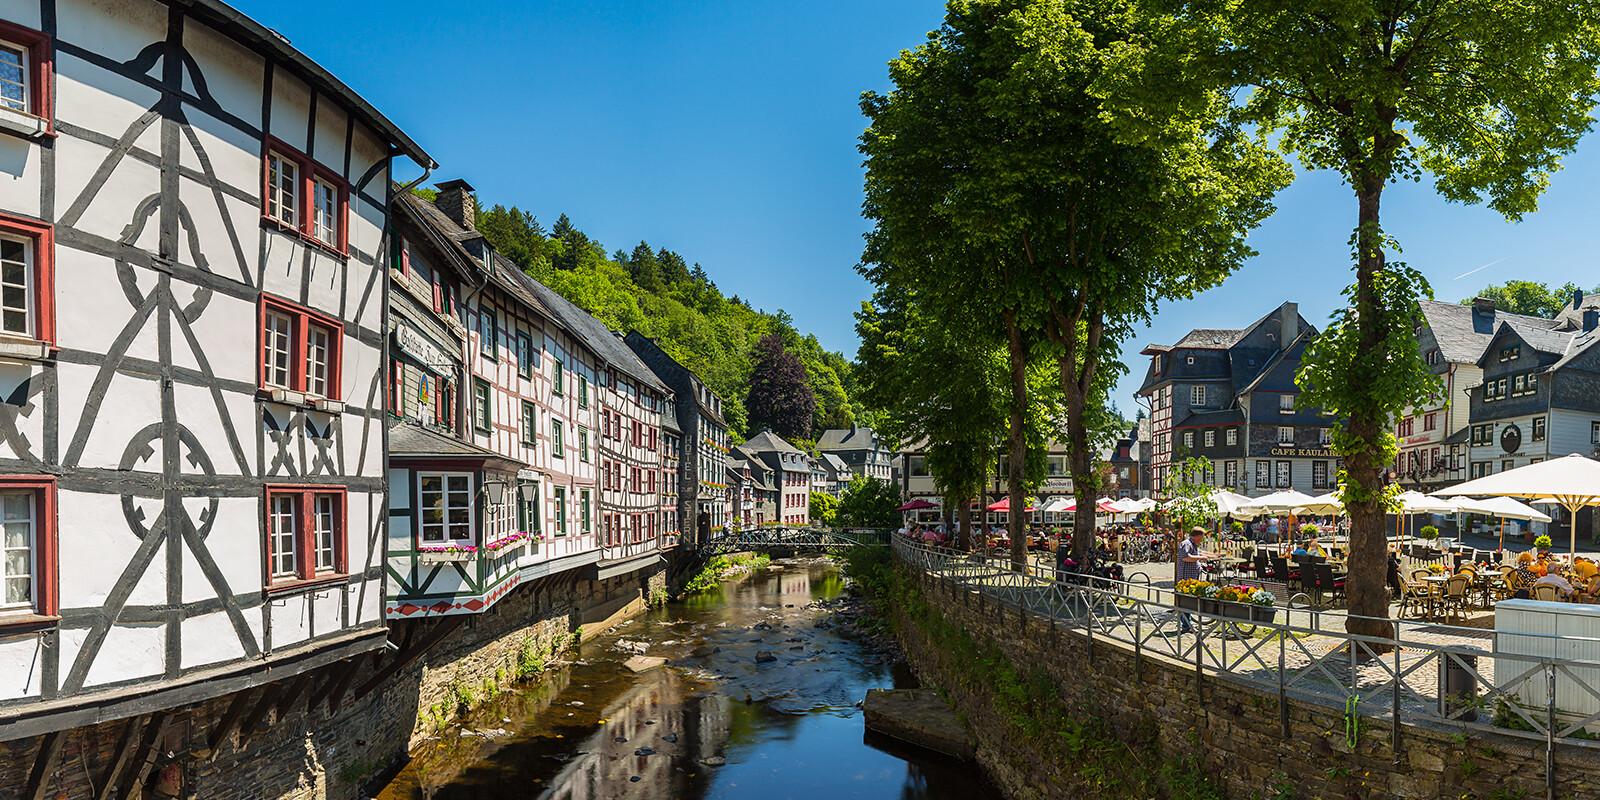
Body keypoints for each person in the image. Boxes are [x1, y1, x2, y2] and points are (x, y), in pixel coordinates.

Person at [1176, 527, 1218, 633]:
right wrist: (1200, 558)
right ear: (1197, 536)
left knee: (1189, 602)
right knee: (1186, 602)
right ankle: (1186, 625)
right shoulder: (1186, 543)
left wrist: (1213, 555)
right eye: (1201, 537)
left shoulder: (1193, 545)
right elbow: (1185, 557)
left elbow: (1199, 553)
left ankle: (1187, 624)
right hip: (1185, 579)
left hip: (1191, 578)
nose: (1202, 540)